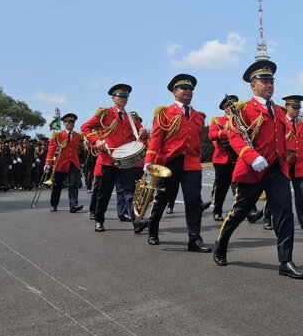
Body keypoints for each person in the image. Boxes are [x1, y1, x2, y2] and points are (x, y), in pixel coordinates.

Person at [213, 60, 303, 279]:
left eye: (271, 81)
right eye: (263, 81)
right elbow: (235, 136)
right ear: (252, 86)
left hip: (277, 170)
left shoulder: (279, 110)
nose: (269, 85)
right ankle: (221, 242)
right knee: (240, 212)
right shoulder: (243, 109)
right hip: (252, 170)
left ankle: (285, 261)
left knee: (284, 213)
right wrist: (250, 156)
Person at [143, 74, 210, 252]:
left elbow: (197, 143)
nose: (188, 91)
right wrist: (149, 161)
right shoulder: (164, 113)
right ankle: (152, 230)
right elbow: (156, 140)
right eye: (183, 89)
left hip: (191, 164)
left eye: (190, 89)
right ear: (174, 92)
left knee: (194, 202)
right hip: (169, 164)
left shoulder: (199, 116)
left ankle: (194, 239)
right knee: (162, 199)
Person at [81, 83, 149, 233]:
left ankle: (136, 221)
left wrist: (144, 133)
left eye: (126, 96)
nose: (124, 99)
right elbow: (85, 127)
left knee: (129, 191)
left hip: (126, 161)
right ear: (113, 98)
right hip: (108, 160)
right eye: (121, 96)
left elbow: (142, 136)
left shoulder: (131, 118)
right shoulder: (105, 114)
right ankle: (99, 220)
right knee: (104, 192)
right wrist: (96, 141)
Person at [264, 95, 303, 235]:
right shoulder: (279, 122)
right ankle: (267, 217)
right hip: (283, 163)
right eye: (294, 107)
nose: (297, 110)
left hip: (299, 165)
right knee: (277, 194)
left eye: (299, 108)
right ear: (287, 107)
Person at [208, 95, 240, 222]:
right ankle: (217, 211)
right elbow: (211, 135)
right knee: (222, 187)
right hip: (223, 159)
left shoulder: (240, 120)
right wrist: (225, 133)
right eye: (232, 106)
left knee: (242, 186)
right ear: (226, 108)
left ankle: (250, 211)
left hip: (238, 157)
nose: (234, 108)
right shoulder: (218, 122)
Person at [44, 113, 85, 213]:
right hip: (61, 163)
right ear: (64, 123)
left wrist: (82, 162)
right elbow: (51, 149)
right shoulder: (57, 135)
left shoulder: (78, 136)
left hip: (73, 163)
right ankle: (54, 204)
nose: (70, 124)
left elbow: (81, 150)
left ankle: (73, 204)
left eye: (72, 122)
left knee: (73, 184)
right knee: (57, 185)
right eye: (68, 122)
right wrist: (48, 163)